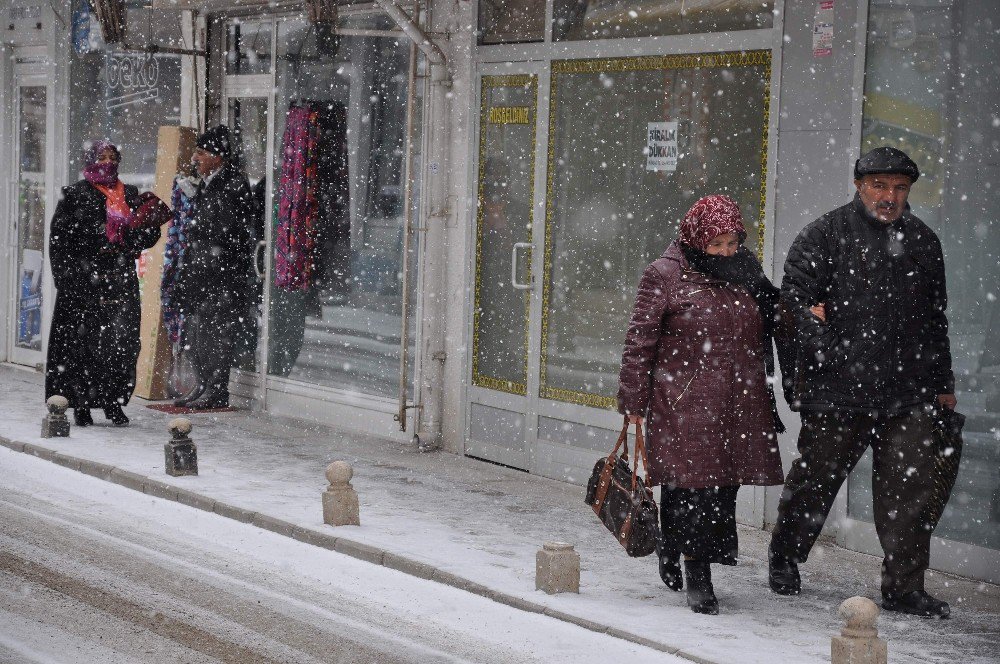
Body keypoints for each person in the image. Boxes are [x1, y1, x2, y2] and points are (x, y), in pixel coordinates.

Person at [768, 147, 956, 618]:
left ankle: (903, 586)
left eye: (899, 188)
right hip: (838, 391)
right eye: (879, 186)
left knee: (908, 495)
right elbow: (793, 305)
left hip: (908, 392)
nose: (889, 196)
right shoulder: (825, 235)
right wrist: (832, 351)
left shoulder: (923, 241)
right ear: (859, 185)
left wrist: (942, 382)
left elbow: (936, 322)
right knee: (814, 482)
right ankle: (785, 558)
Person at [618, 195, 785, 615]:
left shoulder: (743, 269)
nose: (728, 253)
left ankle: (676, 549)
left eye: (734, 243)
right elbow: (640, 341)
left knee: (720, 485)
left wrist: (802, 311)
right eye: (719, 245)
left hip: (736, 400)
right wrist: (633, 401)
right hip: (683, 401)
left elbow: (773, 310)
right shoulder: (664, 275)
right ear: (696, 239)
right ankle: (698, 574)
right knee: (691, 485)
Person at [46, 140, 163, 427]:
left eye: (113, 157)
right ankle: (80, 404)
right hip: (84, 280)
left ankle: (113, 401)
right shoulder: (74, 194)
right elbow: (59, 239)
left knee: (120, 343)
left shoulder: (129, 194)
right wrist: (67, 277)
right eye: (102, 157)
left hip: (119, 278)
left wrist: (148, 225)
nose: (108, 162)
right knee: (82, 343)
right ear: (89, 160)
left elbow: (142, 238)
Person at [173, 126, 255, 409]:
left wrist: (211, 258)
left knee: (218, 335)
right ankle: (202, 384)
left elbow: (228, 232)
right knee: (196, 334)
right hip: (202, 273)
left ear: (217, 157)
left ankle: (217, 389)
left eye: (201, 153)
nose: (195, 158)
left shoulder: (233, 184)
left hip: (221, 277)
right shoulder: (209, 183)